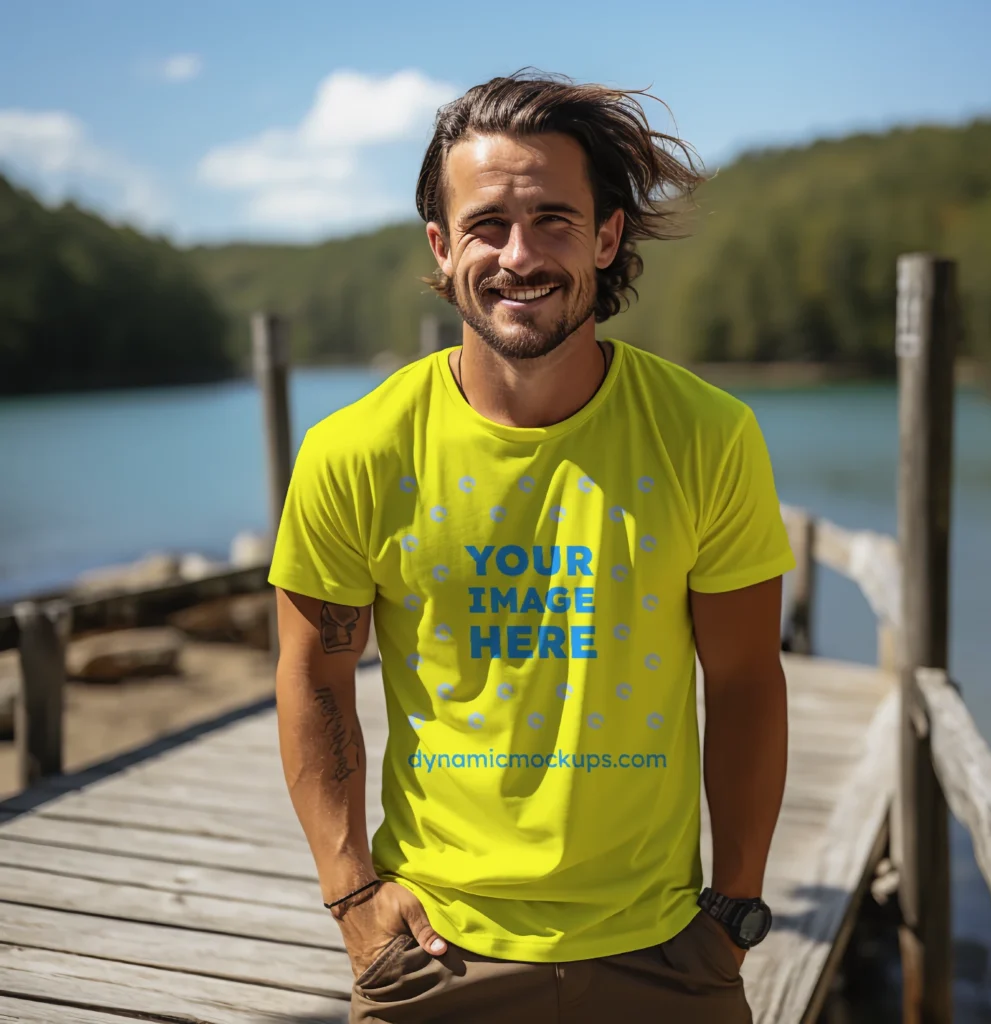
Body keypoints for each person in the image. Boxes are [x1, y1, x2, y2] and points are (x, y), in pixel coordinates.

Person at [269, 70, 795, 1024]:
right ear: (442, 247)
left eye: (555, 219)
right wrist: (352, 898)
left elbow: (749, 679)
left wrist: (735, 908)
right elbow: (312, 674)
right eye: (487, 225)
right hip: (434, 953)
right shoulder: (356, 451)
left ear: (607, 235)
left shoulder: (706, 436)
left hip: (665, 950)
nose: (520, 255)